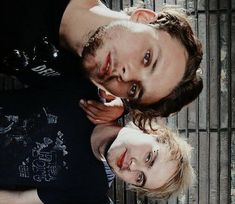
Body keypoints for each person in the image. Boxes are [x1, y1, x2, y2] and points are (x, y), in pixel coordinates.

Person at [0, 1, 203, 127]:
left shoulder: (71, 77)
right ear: (143, 18)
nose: (126, 76)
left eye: (134, 88)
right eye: (147, 58)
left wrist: (121, 107)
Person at [0, 84, 193, 204]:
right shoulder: (97, 93)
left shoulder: (91, 187)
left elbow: (19, 199)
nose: (133, 167)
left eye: (140, 178)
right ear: (151, 131)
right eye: (149, 157)